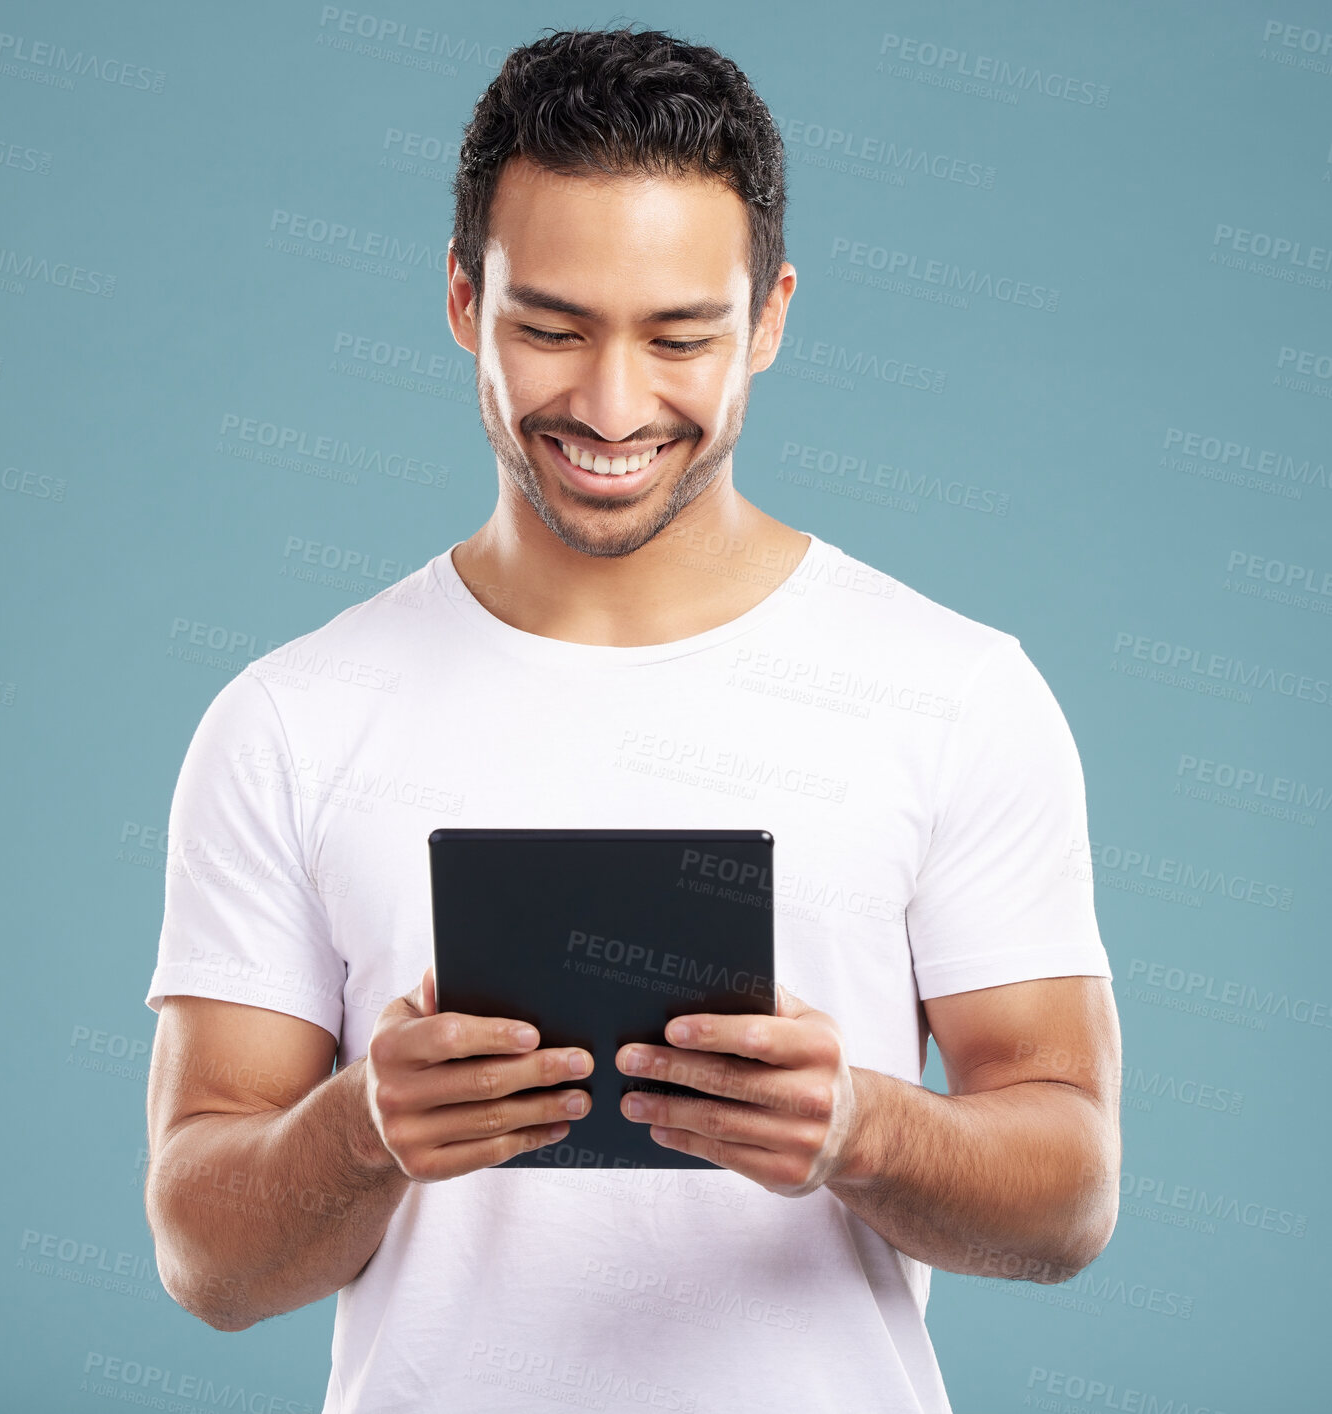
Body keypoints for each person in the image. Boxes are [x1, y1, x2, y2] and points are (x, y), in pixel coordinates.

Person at [143, 26, 1120, 1414]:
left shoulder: (953, 691)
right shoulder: (290, 720)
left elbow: (1069, 1193)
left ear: (769, 317)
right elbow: (204, 1251)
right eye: (549, 326)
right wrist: (362, 1128)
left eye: (679, 336)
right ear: (461, 302)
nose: (611, 405)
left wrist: (858, 1123)